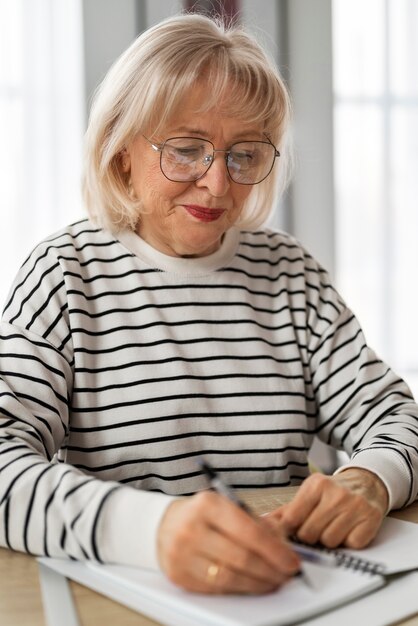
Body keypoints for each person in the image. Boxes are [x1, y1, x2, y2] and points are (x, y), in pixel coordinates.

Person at [0, 13, 417, 597]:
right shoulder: (65, 274)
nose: (218, 185)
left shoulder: (290, 274)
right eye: (186, 150)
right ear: (122, 153)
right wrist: (150, 530)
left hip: (285, 592)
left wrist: (373, 476)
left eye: (245, 155)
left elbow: (397, 416)